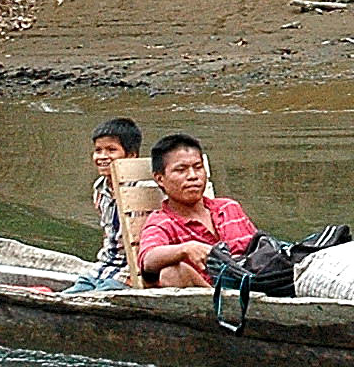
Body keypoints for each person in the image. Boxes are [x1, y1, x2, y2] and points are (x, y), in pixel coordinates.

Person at [134, 134, 258, 288]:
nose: (193, 176)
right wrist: (185, 249)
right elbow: (148, 260)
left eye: (198, 167)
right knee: (172, 273)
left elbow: (260, 249)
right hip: (210, 300)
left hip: (255, 286)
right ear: (160, 179)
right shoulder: (162, 223)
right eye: (181, 170)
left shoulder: (229, 208)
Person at [86, 118, 144, 278]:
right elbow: (108, 233)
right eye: (98, 150)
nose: (102, 157)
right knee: (73, 292)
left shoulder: (141, 190)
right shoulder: (100, 188)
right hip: (104, 265)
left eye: (111, 150)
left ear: (131, 155)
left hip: (130, 270)